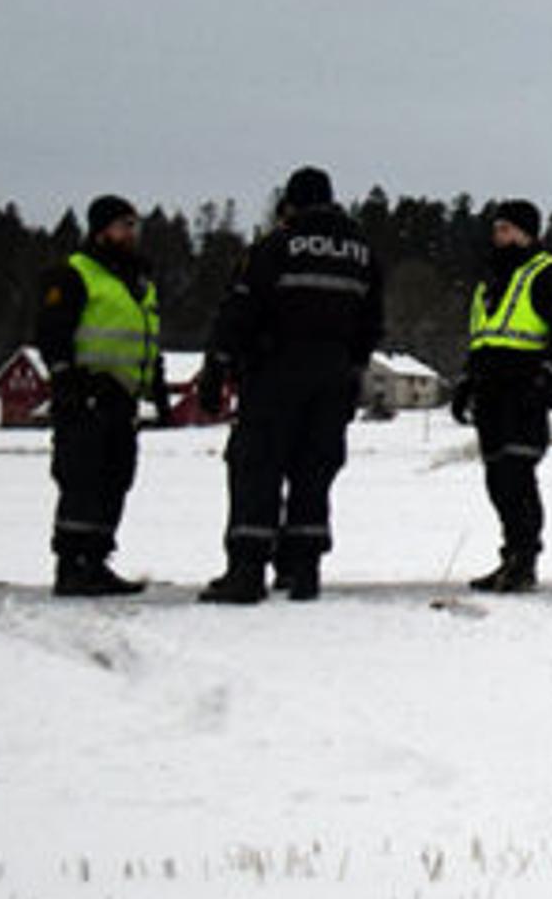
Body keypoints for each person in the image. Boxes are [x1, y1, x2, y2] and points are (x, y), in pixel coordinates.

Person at [193, 166, 385, 604]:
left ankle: (247, 570)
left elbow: (239, 310)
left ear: (290, 205)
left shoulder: (275, 246)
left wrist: (218, 366)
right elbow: (372, 321)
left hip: (275, 373)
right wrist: (352, 366)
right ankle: (303, 569)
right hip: (333, 375)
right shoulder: (361, 253)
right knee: (314, 470)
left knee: (257, 467)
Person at [30, 194, 164, 596]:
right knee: (81, 478)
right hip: (85, 393)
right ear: (102, 230)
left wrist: (157, 388)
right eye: (124, 226)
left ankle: (96, 560)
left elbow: (147, 337)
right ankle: (71, 565)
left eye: (134, 226)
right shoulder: (75, 273)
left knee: (116, 478)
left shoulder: (139, 281)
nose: (131, 233)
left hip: (123, 396)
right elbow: (51, 331)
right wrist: (65, 378)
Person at [454, 198, 552, 592]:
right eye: (497, 228)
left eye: (506, 229)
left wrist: (549, 375)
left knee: (517, 476)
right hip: (490, 390)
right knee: (498, 479)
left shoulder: (549, 273)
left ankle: (524, 561)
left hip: (525, 388)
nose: (499, 235)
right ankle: (510, 556)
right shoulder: (490, 280)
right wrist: (466, 381)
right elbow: (483, 337)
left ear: (527, 233)